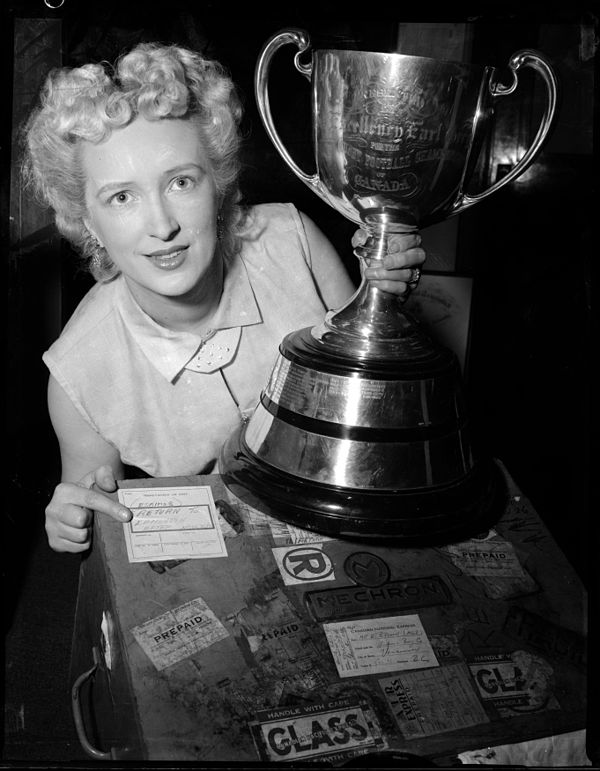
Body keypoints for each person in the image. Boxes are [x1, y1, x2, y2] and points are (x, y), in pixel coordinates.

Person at [22, 42, 426, 554]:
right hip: (222, 552)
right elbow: (92, 504)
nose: (163, 226)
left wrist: (386, 298)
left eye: (181, 182)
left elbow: (373, 404)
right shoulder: (78, 372)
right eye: (121, 197)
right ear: (87, 221)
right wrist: (72, 522)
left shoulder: (292, 239)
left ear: (218, 185)